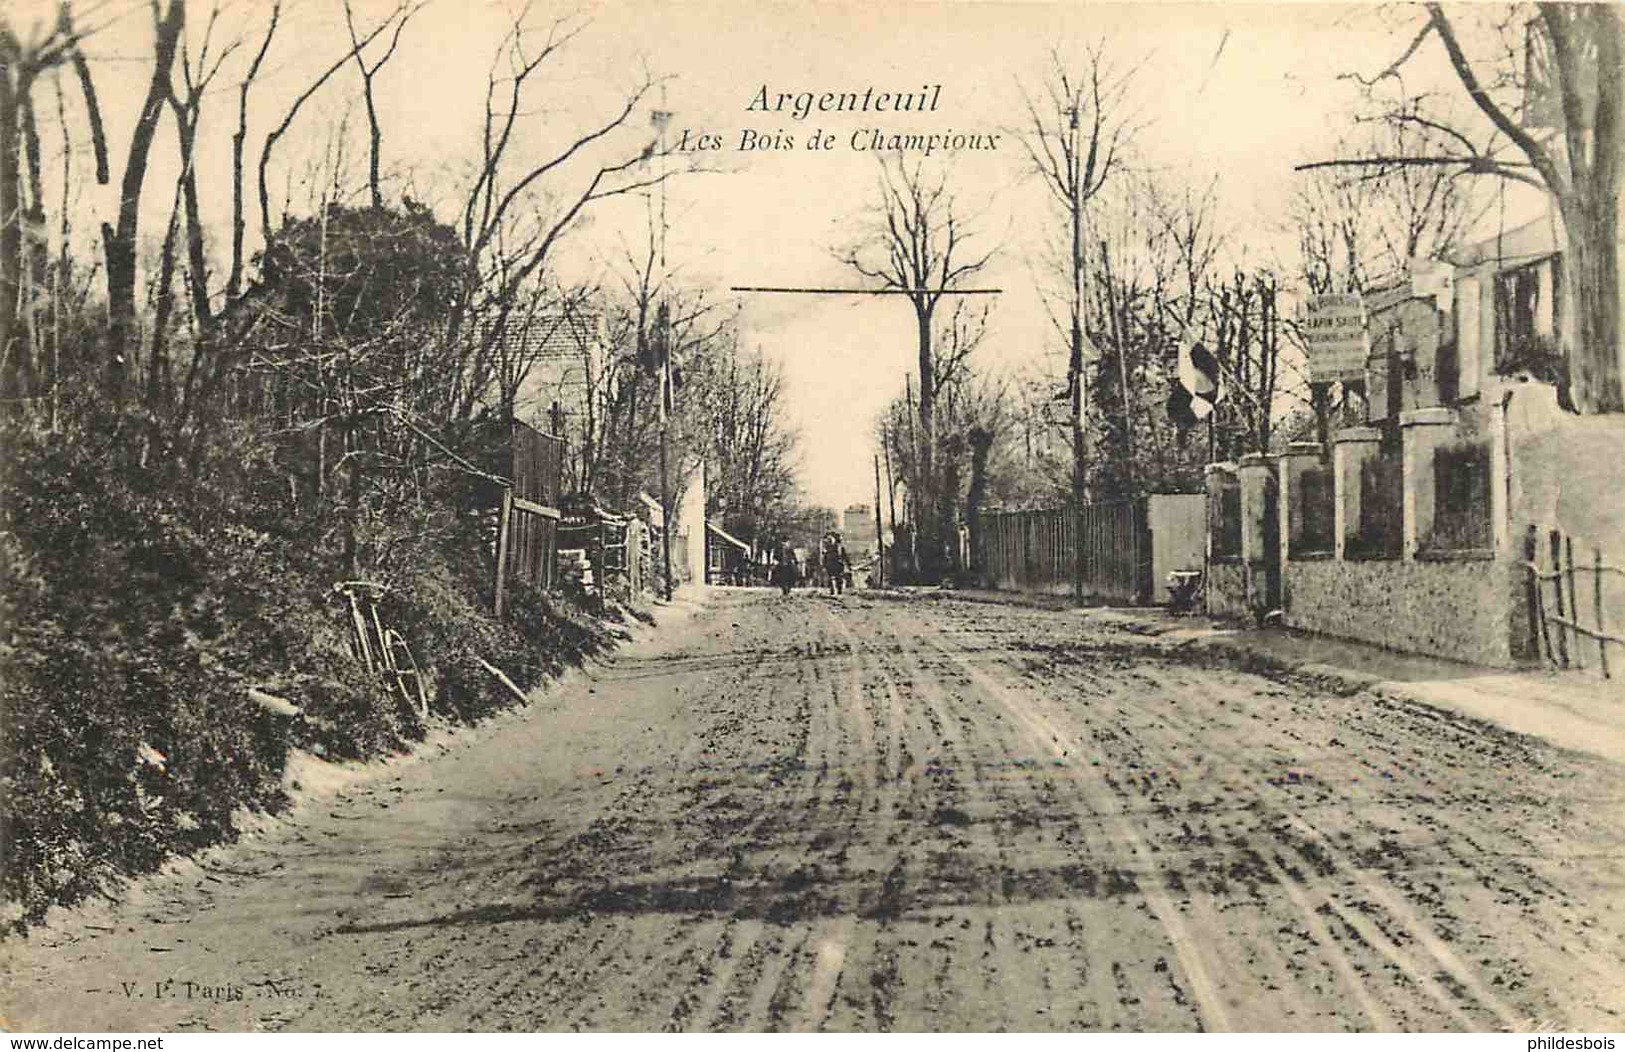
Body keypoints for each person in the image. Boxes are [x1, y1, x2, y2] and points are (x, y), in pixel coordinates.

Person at [821, 531, 848, 596]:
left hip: (837, 563)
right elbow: (825, 556)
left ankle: (839, 591)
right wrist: (824, 564)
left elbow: (844, 556)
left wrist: (847, 564)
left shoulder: (839, 547)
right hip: (831, 563)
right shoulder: (827, 547)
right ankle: (832, 590)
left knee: (838, 577)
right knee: (832, 578)